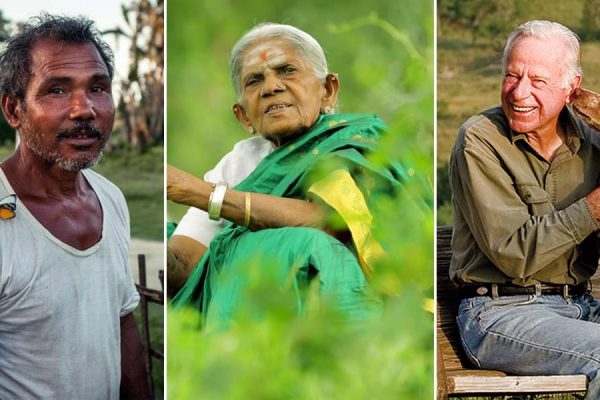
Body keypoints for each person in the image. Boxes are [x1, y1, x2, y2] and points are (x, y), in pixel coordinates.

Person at [167, 23, 404, 326]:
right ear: (243, 116)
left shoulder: (358, 143)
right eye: (254, 81)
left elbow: (333, 223)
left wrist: (200, 193)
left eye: (287, 71)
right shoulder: (237, 164)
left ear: (328, 91)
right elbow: (189, 266)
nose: (270, 87)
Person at [0, 14, 150, 399]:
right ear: (14, 110)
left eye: (98, 88)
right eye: (57, 90)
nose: (84, 110)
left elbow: (122, 323)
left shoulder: (111, 198)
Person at [449, 20, 600, 398]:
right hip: (503, 313)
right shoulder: (479, 140)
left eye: (538, 81)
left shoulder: (593, 141)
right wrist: (594, 208)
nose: (519, 92)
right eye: (512, 76)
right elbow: (514, 256)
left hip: (581, 304)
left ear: (572, 88)